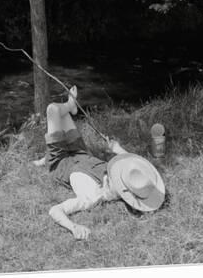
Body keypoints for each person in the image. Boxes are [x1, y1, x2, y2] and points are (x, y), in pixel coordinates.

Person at [34, 86, 165, 240]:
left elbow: (55, 210)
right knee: (61, 116)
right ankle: (68, 111)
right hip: (80, 151)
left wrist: (73, 227)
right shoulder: (120, 176)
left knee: (53, 110)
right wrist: (117, 148)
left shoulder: (92, 197)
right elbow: (132, 162)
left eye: (119, 179)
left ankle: (69, 107)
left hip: (60, 161)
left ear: (122, 190)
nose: (117, 173)